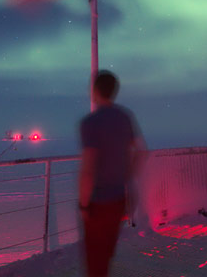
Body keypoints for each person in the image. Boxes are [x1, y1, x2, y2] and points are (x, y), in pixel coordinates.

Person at [78, 69, 145, 277]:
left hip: (98, 202)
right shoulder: (125, 117)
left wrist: (83, 204)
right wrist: (126, 175)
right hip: (118, 199)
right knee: (106, 255)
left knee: (95, 261)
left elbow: (88, 168)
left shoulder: (90, 122)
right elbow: (142, 151)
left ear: (95, 90)